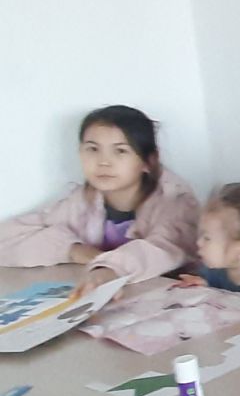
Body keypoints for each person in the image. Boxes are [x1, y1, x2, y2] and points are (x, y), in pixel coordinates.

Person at [0, 105, 198, 295]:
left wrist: (110, 268)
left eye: (120, 151)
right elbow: (7, 238)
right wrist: (73, 250)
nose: (104, 162)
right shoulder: (80, 201)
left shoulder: (174, 202)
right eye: (93, 149)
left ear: (149, 161)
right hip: (110, 297)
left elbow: (163, 248)